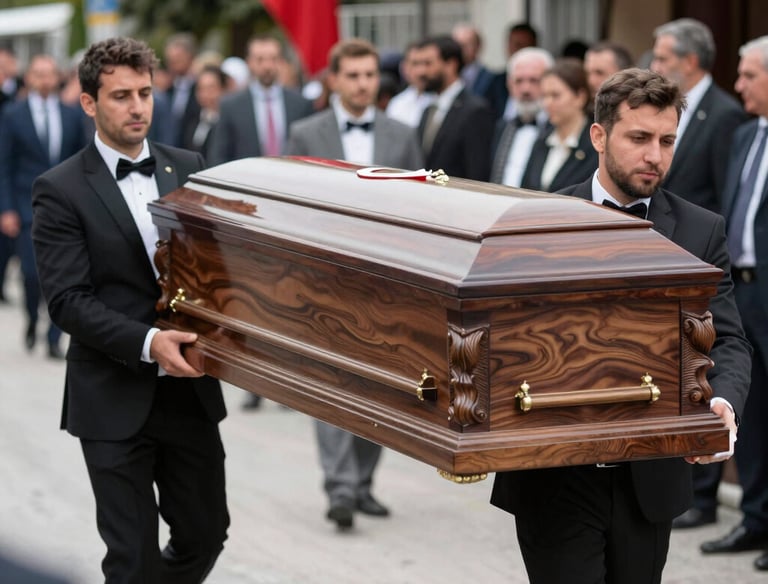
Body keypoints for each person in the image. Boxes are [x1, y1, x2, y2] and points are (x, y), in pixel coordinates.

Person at [491, 67, 750, 584]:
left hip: (649, 482)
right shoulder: (538, 219)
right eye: (639, 138)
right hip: (554, 474)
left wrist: (720, 403)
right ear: (600, 136)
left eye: (667, 140)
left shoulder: (702, 230)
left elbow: (729, 339)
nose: (655, 155)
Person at [31, 37, 229, 582]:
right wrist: (148, 342)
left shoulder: (190, 167)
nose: (138, 106)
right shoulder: (59, 189)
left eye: (145, 92)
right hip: (111, 396)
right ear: (89, 102)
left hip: (188, 393)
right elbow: (68, 302)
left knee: (206, 535)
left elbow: (214, 273)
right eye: (121, 96)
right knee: (132, 557)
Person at [286, 38, 423, 531]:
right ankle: (339, 487)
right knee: (327, 384)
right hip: (324, 279)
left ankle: (363, 483)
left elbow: (420, 207)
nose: (364, 83)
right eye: (355, 75)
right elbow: (292, 204)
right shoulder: (305, 133)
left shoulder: (403, 135)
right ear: (335, 80)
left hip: (387, 281)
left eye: (370, 75)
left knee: (380, 388)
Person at [700, 35, 768, 572]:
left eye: (748, 74)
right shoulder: (745, 135)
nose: (738, 84)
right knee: (751, 407)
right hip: (740, 289)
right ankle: (755, 518)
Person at [0, 54, 86, 359]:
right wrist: (6, 208)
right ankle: (32, 319)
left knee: (63, 276)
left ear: (58, 77)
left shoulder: (72, 114)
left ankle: (53, 337)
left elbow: (81, 161)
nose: (45, 80)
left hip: (65, 208)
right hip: (25, 208)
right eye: (38, 74)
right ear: (29, 78)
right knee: (31, 274)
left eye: (50, 74)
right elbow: (4, 164)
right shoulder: (12, 115)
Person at [651, 18, 747, 215]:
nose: (655, 67)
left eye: (662, 59)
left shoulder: (725, 114)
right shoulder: (662, 105)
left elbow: (726, 193)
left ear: (689, 62)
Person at [208, 34, 314, 168]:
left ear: (281, 61)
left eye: (273, 59)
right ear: (249, 62)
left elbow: (310, 151)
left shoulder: (300, 104)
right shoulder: (231, 106)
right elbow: (219, 155)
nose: (267, 66)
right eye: (260, 59)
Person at [416, 35, 495, 182]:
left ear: (451, 64)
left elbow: (478, 173)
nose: (421, 72)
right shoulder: (428, 109)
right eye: (419, 64)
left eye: (428, 64)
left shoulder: (475, 111)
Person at [520, 58, 597, 192]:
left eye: (555, 95)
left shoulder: (595, 146)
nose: (547, 103)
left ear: (580, 97)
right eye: (544, 96)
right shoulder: (542, 141)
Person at [490, 47, 553, 186]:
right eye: (519, 81)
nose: (525, 89)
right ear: (509, 85)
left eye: (534, 80)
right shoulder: (502, 127)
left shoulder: (558, 130)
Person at [452, 22, 508, 119]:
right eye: (458, 44)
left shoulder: (492, 79)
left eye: (467, 44)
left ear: (478, 46)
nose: (461, 49)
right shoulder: (447, 77)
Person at [163, 32, 201, 147]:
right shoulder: (166, 91)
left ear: (190, 57)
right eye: (170, 59)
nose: (172, 64)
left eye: (177, 59)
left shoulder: (201, 90)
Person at [386, 42, 435, 128]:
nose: (421, 71)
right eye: (415, 64)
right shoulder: (397, 104)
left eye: (427, 63)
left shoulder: (443, 101)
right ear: (404, 67)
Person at [182, 64, 226, 160]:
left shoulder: (227, 122)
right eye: (200, 89)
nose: (205, 94)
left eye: (211, 88)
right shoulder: (192, 119)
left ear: (222, 89)